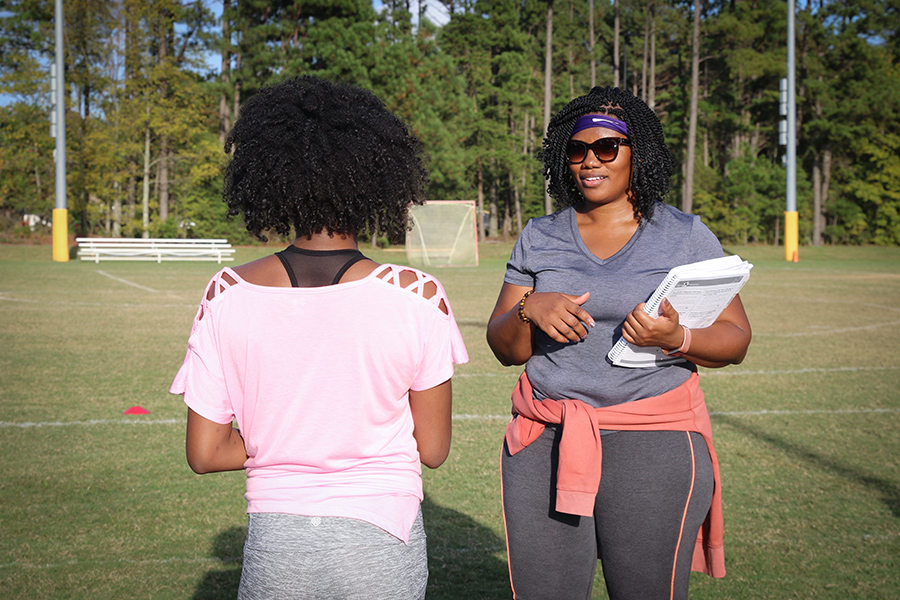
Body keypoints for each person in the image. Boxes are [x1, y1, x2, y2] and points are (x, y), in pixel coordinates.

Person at [170, 76, 468, 600]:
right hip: (383, 542)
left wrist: (286, 442)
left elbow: (205, 452)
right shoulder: (418, 295)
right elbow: (435, 449)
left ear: (269, 176)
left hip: (276, 546)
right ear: (378, 178)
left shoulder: (225, 294)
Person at [486, 86, 751, 600]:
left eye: (607, 147)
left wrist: (679, 337)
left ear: (637, 153)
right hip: (546, 439)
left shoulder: (685, 235)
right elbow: (506, 348)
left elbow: (736, 340)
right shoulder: (540, 235)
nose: (590, 160)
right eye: (577, 149)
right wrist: (528, 309)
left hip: (654, 440)